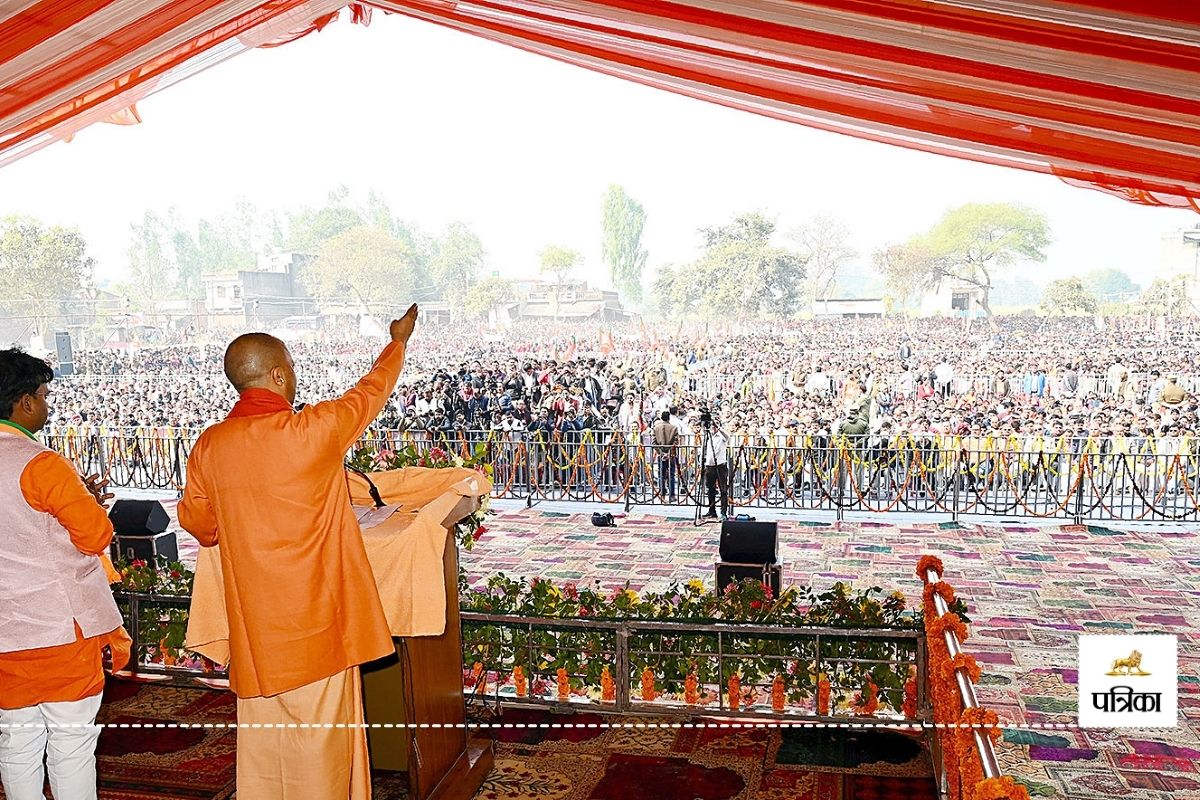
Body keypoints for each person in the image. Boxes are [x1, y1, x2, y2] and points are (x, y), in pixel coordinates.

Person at [177, 304, 419, 800]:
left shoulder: (209, 446)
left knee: (266, 741)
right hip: (318, 627)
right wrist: (397, 343)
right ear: (279, 374)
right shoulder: (315, 429)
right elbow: (370, 392)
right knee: (321, 741)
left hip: (256, 631)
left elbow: (200, 525)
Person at [0, 348, 130, 800]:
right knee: (71, 742)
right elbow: (95, 535)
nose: (48, 404)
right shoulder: (41, 463)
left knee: (17, 740)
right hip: (59, 630)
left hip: (5, 634)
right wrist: (86, 502)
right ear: (24, 402)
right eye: (44, 395)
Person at [701, 415, 731, 519]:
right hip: (710, 466)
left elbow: (728, 436)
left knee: (723, 490)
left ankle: (723, 512)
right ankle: (712, 510)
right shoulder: (707, 436)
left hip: (720, 466)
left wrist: (718, 426)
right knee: (711, 489)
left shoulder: (722, 436)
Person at [652, 410, 679, 502]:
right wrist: (668, 453)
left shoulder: (656, 428)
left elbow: (653, 442)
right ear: (669, 418)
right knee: (671, 475)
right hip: (671, 455)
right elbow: (675, 442)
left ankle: (662, 494)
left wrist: (661, 453)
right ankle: (671, 495)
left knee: (661, 475)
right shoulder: (674, 428)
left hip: (661, 455)